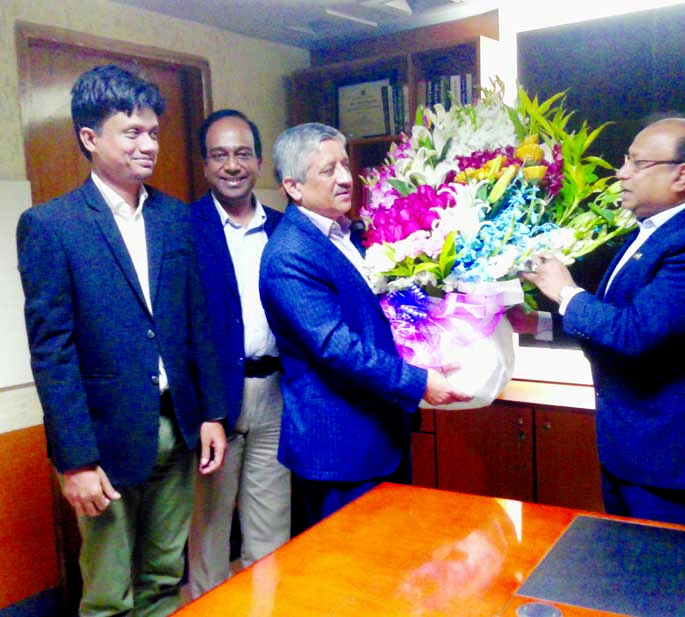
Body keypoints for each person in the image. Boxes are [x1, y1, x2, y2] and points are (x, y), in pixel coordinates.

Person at [16, 64, 227, 617]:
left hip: (178, 427)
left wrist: (211, 414)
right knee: (109, 593)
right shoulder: (52, 226)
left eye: (153, 132)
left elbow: (195, 324)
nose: (148, 145)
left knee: (163, 578)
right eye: (132, 132)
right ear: (90, 138)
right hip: (103, 441)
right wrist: (75, 462)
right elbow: (52, 352)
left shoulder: (175, 219)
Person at [510, 116, 685, 529]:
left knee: (670, 584)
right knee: (631, 577)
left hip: (680, 459)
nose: (622, 173)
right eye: (626, 160)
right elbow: (619, 321)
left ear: (682, 175)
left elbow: (636, 333)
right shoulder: (652, 230)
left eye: (638, 163)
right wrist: (541, 325)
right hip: (633, 448)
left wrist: (566, 292)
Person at [259, 122, 470, 528]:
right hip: (340, 447)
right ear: (294, 187)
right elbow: (337, 346)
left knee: (390, 566)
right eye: (328, 170)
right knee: (349, 575)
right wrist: (418, 381)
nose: (344, 178)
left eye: (344, 164)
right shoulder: (289, 255)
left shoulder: (346, 234)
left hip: (379, 432)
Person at [187, 109, 290, 597]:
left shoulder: (285, 229)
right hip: (214, 404)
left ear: (259, 161)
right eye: (220, 155)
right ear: (205, 164)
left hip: (276, 395)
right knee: (208, 537)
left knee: (271, 534)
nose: (233, 165)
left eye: (243, 154)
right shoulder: (182, 229)